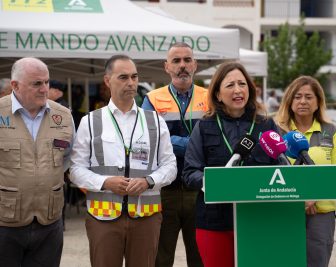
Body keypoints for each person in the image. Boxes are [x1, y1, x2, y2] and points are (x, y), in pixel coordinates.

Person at [69, 54, 177, 267]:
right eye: (123, 77)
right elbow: (75, 169)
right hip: (102, 217)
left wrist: (148, 181)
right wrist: (105, 182)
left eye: (134, 77)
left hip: (146, 216)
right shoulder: (90, 122)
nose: (131, 83)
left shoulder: (155, 121)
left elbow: (170, 165)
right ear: (108, 80)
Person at [183, 62, 278, 267]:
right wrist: (214, 182)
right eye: (230, 85)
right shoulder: (204, 126)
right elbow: (190, 172)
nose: (237, 90)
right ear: (217, 94)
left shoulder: (266, 125)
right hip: (214, 222)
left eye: (242, 84)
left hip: (258, 219)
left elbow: (281, 166)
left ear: (250, 90)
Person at [0, 57, 74, 266]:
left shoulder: (63, 116)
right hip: (5, 223)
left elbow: (67, 157)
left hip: (49, 222)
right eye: (36, 83)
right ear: (15, 85)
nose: (44, 89)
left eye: (47, 82)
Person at [141, 42, 207, 267]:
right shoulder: (152, 99)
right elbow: (152, 140)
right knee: (161, 256)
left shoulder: (211, 97)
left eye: (187, 60)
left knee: (201, 257)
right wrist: (196, 145)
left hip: (200, 190)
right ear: (166, 66)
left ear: (195, 65)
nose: (182, 66)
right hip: (164, 191)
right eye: (176, 61)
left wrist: (172, 142)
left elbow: (216, 138)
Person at [274, 75, 336, 267]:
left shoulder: (330, 131)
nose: (303, 101)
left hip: (321, 214)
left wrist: (312, 196)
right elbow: (272, 173)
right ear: (289, 101)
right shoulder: (277, 132)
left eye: (309, 97)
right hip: (286, 211)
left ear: (318, 103)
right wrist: (299, 198)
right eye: (297, 96)